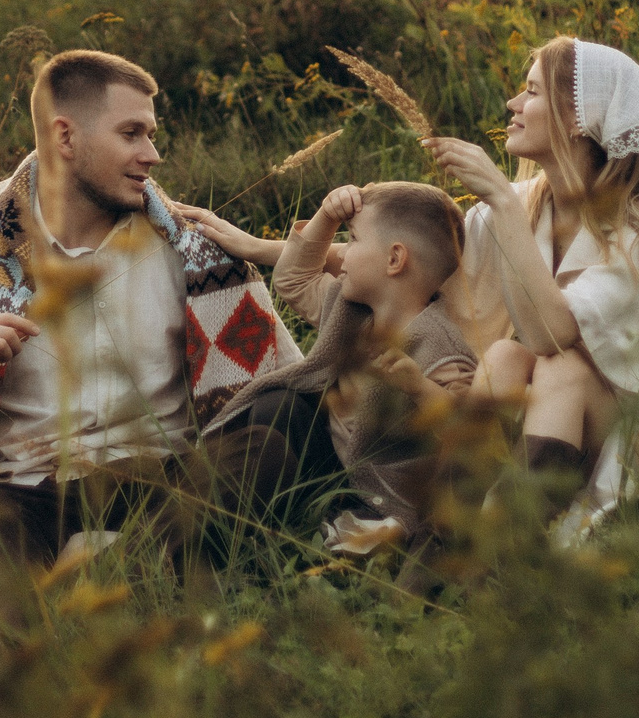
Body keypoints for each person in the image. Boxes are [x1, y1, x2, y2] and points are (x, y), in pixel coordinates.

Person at [0, 49, 302, 563]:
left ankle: (118, 569)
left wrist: (312, 268)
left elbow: (284, 382)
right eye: (131, 134)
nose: (152, 154)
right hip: (26, 493)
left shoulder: (194, 251)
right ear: (65, 137)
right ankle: (129, 570)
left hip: (166, 485)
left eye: (151, 135)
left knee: (270, 441)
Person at [422, 36, 639, 540]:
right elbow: (418, 263)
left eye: (531, 92)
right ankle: (441, 538)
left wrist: (500, 199)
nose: (513, 104)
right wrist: (309, 239)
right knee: (504, 356)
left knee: (560, 364)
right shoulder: (524, 202)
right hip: (547, 430)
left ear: (578, 119)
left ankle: (510, 544)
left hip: (626, 444)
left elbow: (551, 334)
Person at [174, 180, 476, 551]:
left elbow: (470, 428)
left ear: (395, 259)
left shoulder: (441, 346)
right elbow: (292, 278)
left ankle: (232, 539)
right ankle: (218, 507)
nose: (341, 253)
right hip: (328, 461)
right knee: (276, 406)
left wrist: (419, 387)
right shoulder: (349, 311)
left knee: (366, 536)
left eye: (353, 239)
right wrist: (327, 218)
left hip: (379, 490)